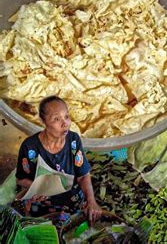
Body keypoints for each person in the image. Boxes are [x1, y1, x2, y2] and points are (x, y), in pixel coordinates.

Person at [15, 96, 102, 224]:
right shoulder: (30, 147)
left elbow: (83, 175)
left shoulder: (73, 139)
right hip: (43, 207)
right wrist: (38, 188)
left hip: (74, 203)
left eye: (66, 116)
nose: (65, 123)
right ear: (43, 121)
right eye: (57, 119)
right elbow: (21, 179)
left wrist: (92, 201)